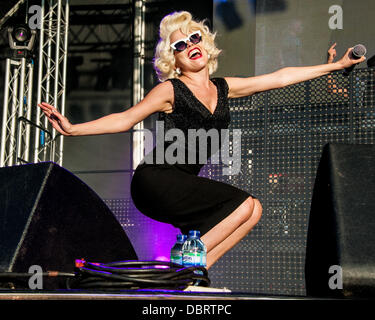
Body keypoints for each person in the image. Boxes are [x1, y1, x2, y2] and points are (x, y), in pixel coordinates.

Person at [39, 11, 365, 269]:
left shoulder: (223, 88)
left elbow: (279, 78)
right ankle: (183, 265)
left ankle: (196, 271)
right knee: (243, 204)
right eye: (179, 45)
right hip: (156, 179)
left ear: (204, 43)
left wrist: (335, 66)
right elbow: (126, 119)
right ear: (174, 59)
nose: (189, 45)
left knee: (254, 211)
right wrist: (73, 128)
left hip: (180, 182)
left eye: (193, 38)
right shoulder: (170, 90)